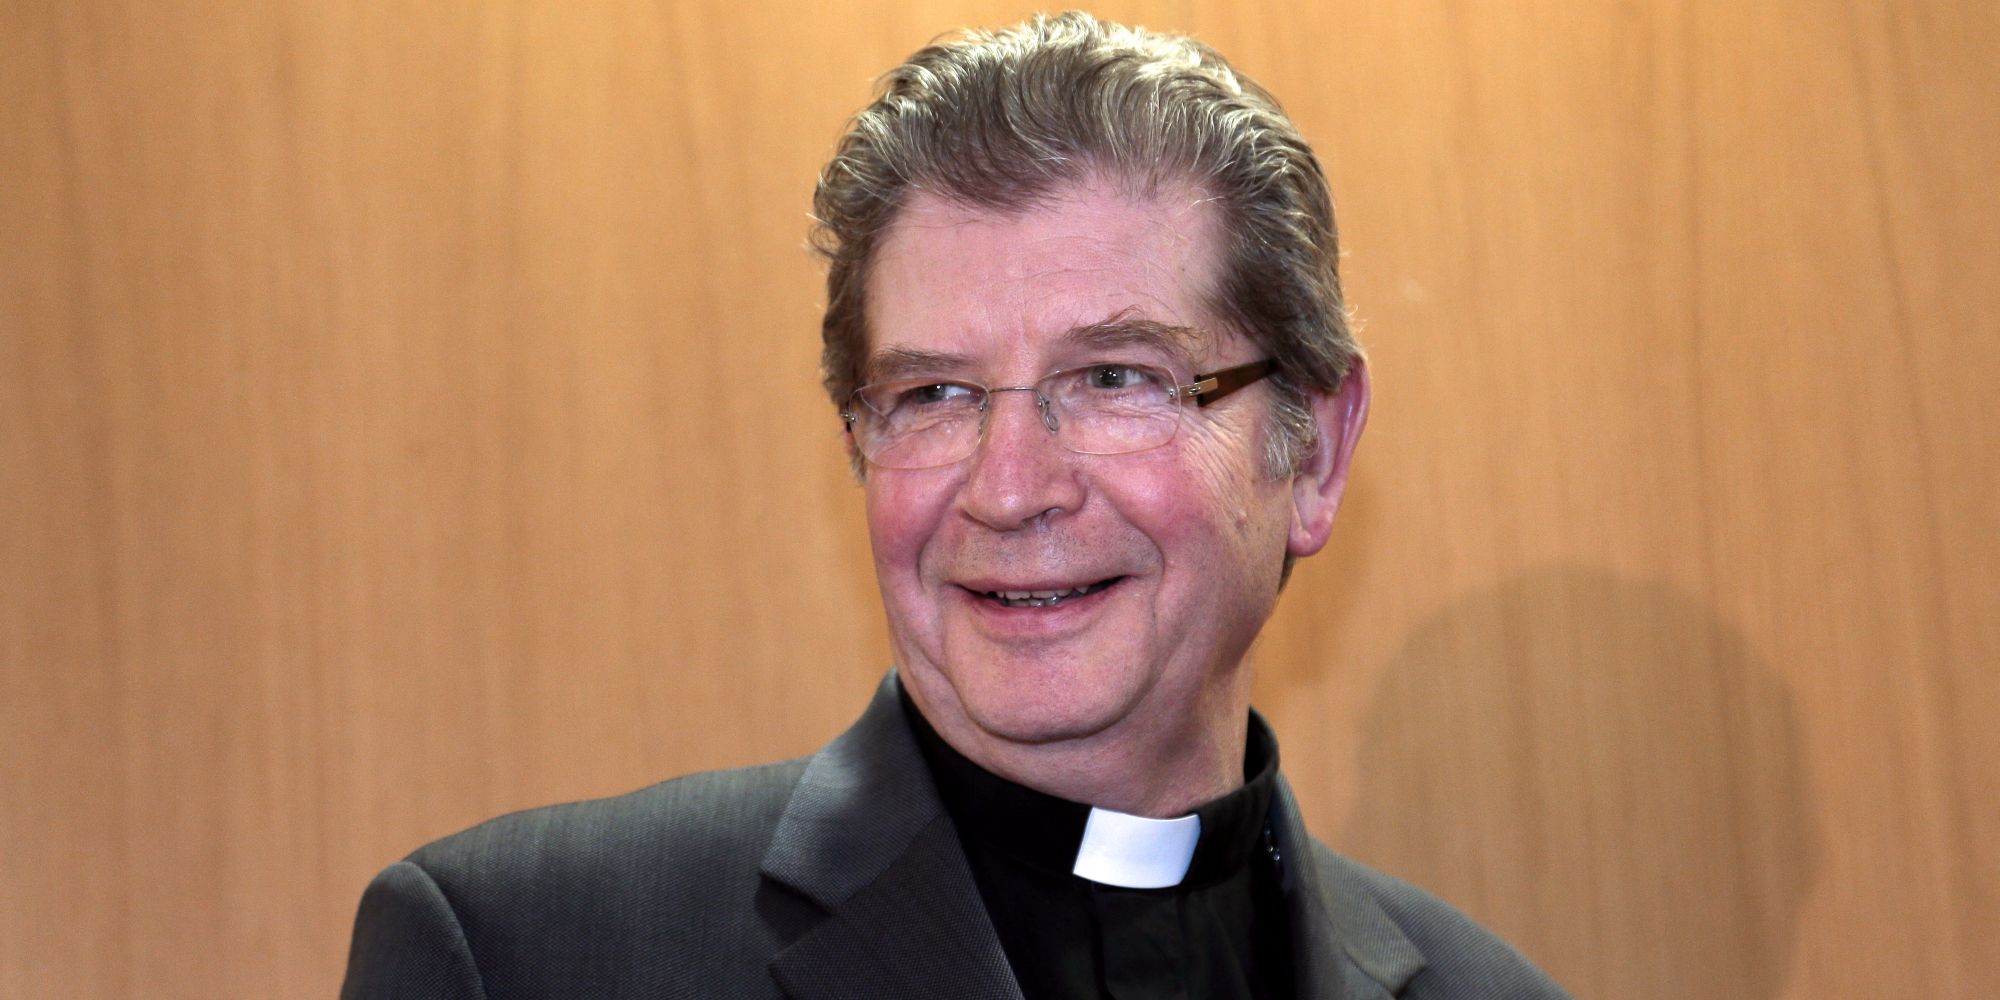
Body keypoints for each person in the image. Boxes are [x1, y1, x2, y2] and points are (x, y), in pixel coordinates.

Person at [342, 13, 1569, 999]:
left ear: (1313, 453)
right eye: (932, 393)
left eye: (1114, 378)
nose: (1009, 487)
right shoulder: (524, 953)